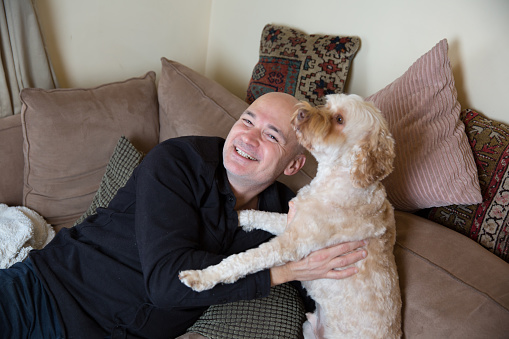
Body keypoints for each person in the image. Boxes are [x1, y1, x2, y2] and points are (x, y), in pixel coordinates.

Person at [0, 92, 367, 338]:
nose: (247, 138)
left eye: (272, 136)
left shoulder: (287, 214)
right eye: (246, 120)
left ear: (294, 164)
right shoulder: (176, 162)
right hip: (42, 293)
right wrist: (283, 271)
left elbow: (327, 283)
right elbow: (165, 284)